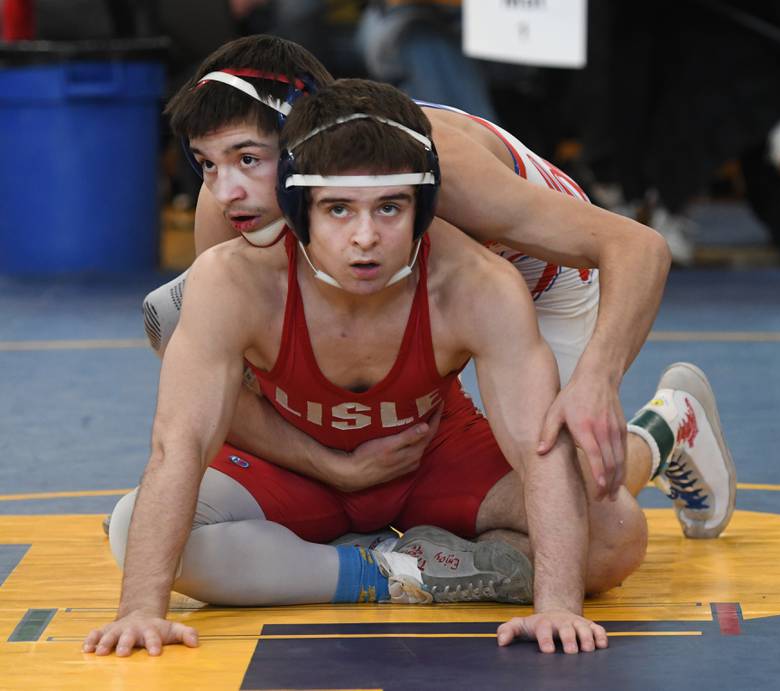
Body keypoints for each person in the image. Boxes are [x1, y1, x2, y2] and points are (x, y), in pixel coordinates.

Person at [84, 77, 735, 658]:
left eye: (388, 208)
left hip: (444, 425)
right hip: (300, 455)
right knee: (136, 531)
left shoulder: (477, 277)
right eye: (339, 210)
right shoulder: (231, 262)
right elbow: (182, 440)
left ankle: (661, 424)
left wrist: (558, 604)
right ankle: (397, 569)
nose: (364, 235)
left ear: (424, 207)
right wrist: (141, 605)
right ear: (298, 207)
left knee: (613, 531)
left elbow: (541, 450)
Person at [143, 34, 679, 506]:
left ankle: (664, 430)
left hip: (540, 278)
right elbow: (224, 387)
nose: (226, 186)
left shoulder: (437, 169)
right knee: (186, 327)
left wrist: (597, 379)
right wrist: (325, 467)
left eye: (250, 158)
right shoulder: (230, 198)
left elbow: (636, 247)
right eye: (210, 164)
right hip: (420, 284)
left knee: (570, 489)